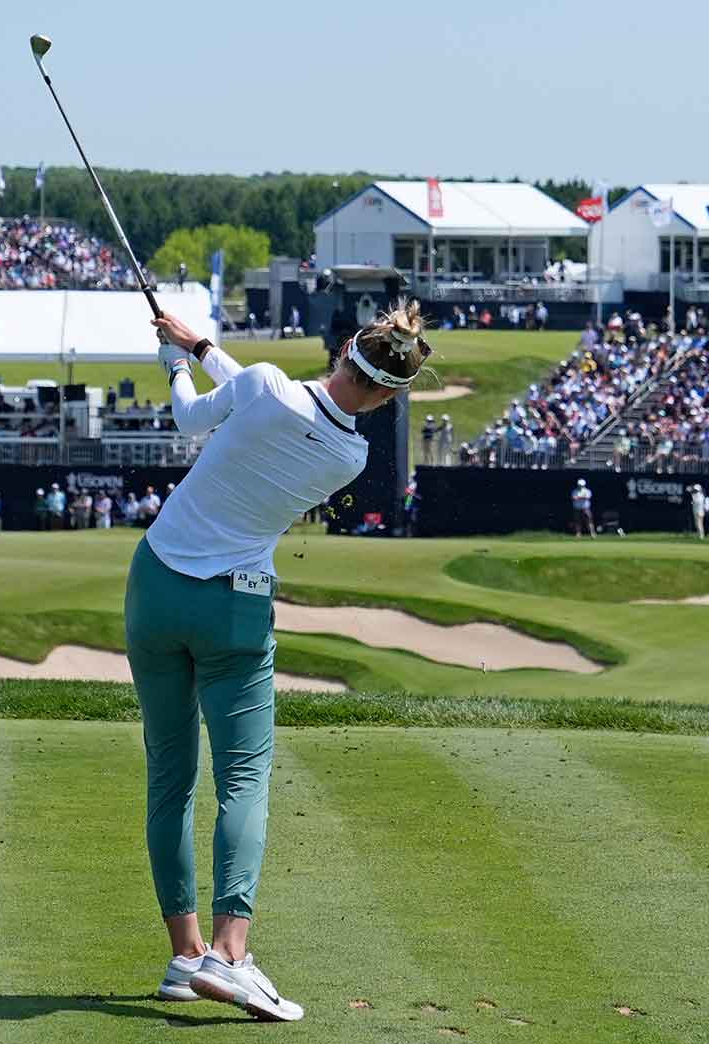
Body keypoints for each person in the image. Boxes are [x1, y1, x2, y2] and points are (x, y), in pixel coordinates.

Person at [131, 300, 432, 1023]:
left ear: (345, 348)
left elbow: (200, 415)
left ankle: (185, 955)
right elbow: (275, 408)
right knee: (242, 778)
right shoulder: (350, 456)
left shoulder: (265, 381)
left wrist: (178, 363)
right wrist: (199, 346)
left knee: (170, 775)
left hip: (154, 584)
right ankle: (229, 955)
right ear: (388, 398)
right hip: (232, 609)